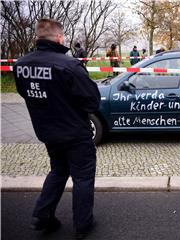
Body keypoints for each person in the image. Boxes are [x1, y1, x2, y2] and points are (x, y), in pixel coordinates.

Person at [13, 18, 100, 239]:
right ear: (59, 37)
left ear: (38, 37)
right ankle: (83, 225)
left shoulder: (21, 65)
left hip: (48, 132)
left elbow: (26, 94)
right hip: (75, 133)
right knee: (82, 177)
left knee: (59, 171)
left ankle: (41, 216)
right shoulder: (69, 65)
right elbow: (92, 102)